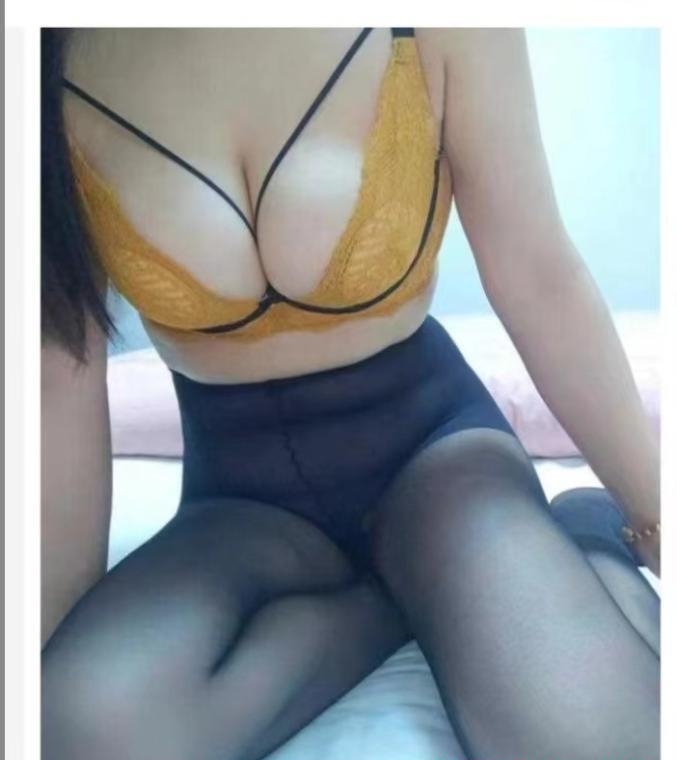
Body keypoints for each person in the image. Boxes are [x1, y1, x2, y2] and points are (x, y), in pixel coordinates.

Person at [41, 27, 660, 760]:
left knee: (593, 740)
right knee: (73, 727)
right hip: (241, 501)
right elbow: (58, 377)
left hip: (435, 455)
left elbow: (538, 273)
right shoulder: (42, 64)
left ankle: (586, 530)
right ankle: (391, 600)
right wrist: (54, 637)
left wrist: (651, 511)